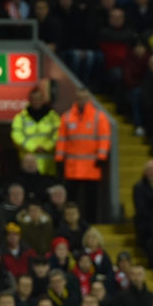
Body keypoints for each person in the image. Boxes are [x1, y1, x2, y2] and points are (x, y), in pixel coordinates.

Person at [55, 88, 110, 222]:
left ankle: (91, 225)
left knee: (91, 201)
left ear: (89, 99)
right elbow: (62, 139)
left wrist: (102, 157)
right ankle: (70, 223)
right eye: (79, 98)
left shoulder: (98, 116)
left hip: (92, 167)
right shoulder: (67, 117)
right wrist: (59, 159)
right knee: (72, 200)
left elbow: (104, 138)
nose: (82, 101)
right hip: (72, 168)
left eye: (84, 98)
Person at [10, 86, 60, 176]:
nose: (36, 101)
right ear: (29, 100)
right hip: (28, 165)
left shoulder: (53, 117)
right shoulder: (20, 118)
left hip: (48, 166)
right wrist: (33, 147)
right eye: (34, 99)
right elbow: (17, 136)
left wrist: (47, 146)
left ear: (43, 99)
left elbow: (58, 134)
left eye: (39, 99)